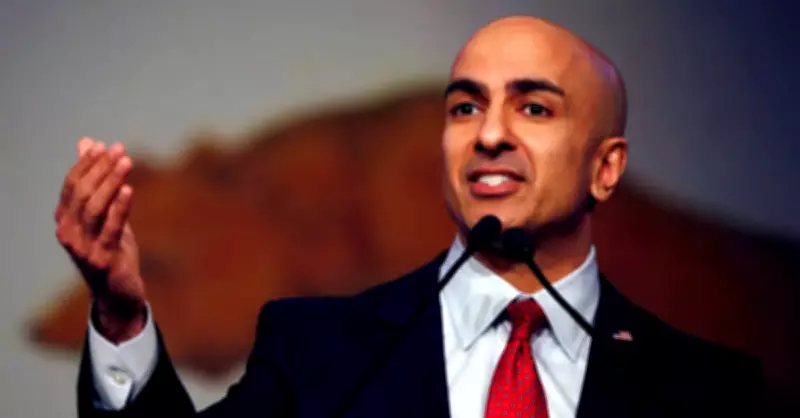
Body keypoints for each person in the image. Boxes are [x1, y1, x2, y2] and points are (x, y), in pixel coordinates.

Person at [56, 15, 763, 418]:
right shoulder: (318, 353)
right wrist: (120, 317)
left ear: (606, 168)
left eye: (533, 107)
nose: (489, 134)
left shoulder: (709, 390)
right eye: (466, 106)